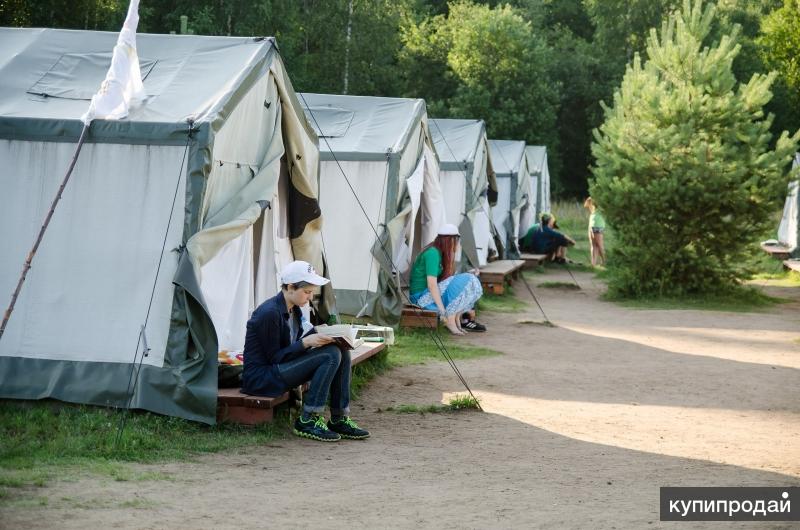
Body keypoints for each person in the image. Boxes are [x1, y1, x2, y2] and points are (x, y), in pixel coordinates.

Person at [242, 261, 369, 443]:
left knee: (341, 348)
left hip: (279, 370)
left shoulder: (293, 309)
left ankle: (339, 418)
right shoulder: (269, 313)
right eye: (307, 292)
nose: (309, 298)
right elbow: (274, 358)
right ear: (291, 287)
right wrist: (306, 342)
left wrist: (318, 332)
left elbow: (293, 344)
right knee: (330, 355)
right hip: (262, 378)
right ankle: (308, 419)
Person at [409, 224, 486, 335]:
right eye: (456, 240)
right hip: (420, 297)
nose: (457, 244)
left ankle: (456, 319)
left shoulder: (439, 252)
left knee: (469, 278)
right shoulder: (432, 253)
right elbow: (432, 284)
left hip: (426, 294)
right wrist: (442, 310)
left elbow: (445, 280)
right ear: (449, 240)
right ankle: (450, 319)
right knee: (468, 279)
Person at [583, 197, 606, 267]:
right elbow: (585, 204)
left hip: (598, 226)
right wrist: (591, 198)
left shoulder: (601, 208)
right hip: (591, 226)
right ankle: (593, 263)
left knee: (599, 245)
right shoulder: (592, 208)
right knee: (593, 245)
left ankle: (604, 261)